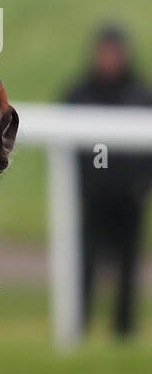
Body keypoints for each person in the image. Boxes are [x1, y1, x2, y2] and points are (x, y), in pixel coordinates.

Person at [64, 23, 152, 337]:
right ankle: (77, 326)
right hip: (92, 201)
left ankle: (123, 332)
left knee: (128, 269)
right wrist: (83, 185)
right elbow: (66, 149)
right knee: (84, 265)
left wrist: (140, 185)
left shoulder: (141, 95)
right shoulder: (79, 94)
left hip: (129, 201)